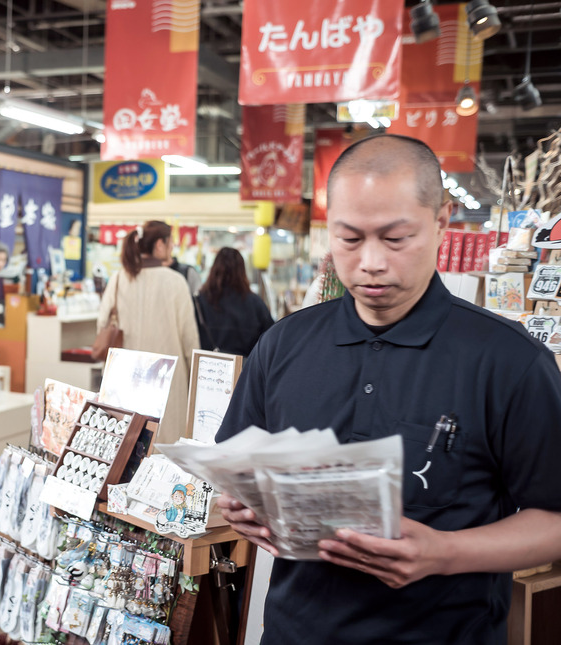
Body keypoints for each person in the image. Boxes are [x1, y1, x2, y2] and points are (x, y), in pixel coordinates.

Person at [215, 134, 561, 645]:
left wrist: (443, 553)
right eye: (349, 239)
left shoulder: (509, 361)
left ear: (442, 220)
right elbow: (236, 470)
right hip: (294, 630)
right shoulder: (283, 344)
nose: (371, 262)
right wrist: (242, 509)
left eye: (396, 238)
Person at [97, 220, 199, 443]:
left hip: (125, 383)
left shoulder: (117, 280)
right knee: (165, 452)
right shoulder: (176, 282)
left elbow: (102, 324)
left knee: (127, 450)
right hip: (168, 384)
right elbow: (190, 341)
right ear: (160, 245)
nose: (173, 246)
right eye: (171, 242)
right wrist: (197, 380)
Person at [194, 247, 273, 356]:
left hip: (207, 368)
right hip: (246, 369)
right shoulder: (255, 303)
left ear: (214, 269)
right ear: (242, 271)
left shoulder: (199, 301)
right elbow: (271, 340)